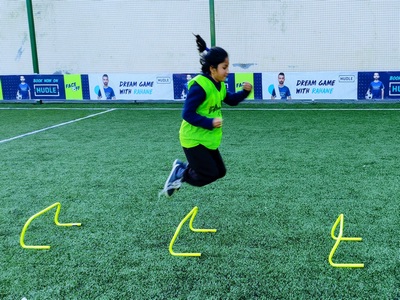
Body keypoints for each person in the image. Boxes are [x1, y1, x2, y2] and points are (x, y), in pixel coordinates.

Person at [160, 34, 253, 197]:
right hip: (193, 139)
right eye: (224, 67)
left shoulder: (219, 85)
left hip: (206, 138)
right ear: (212, 68)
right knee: (209, 174)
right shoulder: (200, 87)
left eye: (227, 67)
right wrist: (209, 122)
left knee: (220, 172)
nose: (227, 71)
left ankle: (184, 169)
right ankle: (181, 173)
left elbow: (230, 100)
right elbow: (187, 114)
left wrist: (244, 93)